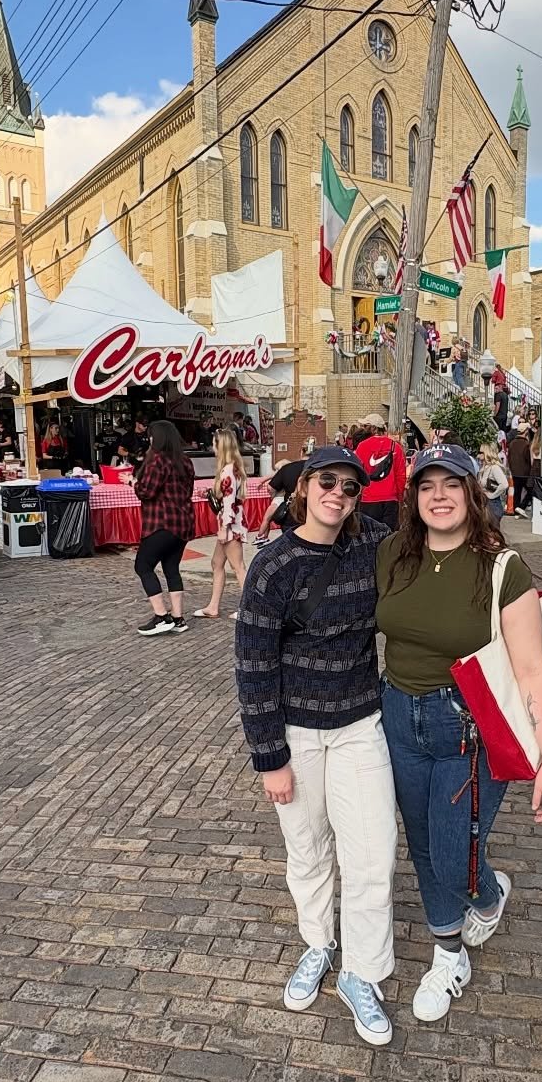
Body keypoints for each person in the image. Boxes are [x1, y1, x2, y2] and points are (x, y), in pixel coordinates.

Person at [377, 443, 542, 1023]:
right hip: (397, 713)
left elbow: (533, 669)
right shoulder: (391, 555)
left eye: (451, 484)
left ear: (472, 493)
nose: (439, 496)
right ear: (413, 497)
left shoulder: (503, 567)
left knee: (456, 857)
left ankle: (487, 893)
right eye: (426, 485)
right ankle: (448, 952)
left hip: (467, 726)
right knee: (424, 845)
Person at [234, 446, 397, 1047]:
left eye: (350, 487)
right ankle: (319, 944)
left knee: (372, 853)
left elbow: (436, 549)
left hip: (359, 724)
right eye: (327, 482)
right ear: (304, 486)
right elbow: (253, 663)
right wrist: (268, 755)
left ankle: (361, 970)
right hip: (297, 731)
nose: (338, 494)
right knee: (307, 850)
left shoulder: (372, 545)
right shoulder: (274, 565)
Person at [135, 421, 195, 634]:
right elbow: (187, 491)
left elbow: (146, 492)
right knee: (171, 568)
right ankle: (178, 619)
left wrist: (134, 482)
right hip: (183, 524)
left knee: (143, 566)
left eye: (150, 436)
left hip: (161, 523)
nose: (149, 440)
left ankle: (161, 616)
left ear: (157, 438)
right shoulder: (185, 461)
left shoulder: (158, 461)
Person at [196, 428, 248, 619]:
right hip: (230, 524)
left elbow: (229, 503)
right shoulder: (232, 469)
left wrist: (224, 528)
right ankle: (213, 606)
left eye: (214, 443)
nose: (212, 446)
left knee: (238, 567)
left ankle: (248, 608)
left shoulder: (227, 471)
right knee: (217, 563)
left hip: (229, 526)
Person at [352, 414, 406, 529]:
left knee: (368, 534)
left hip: (368, 498)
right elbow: (400, 476)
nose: (362, 428)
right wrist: (400, 499)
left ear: (373, 428)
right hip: (391, 499)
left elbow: (358, 473)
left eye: (365, 426)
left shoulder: (362, 446)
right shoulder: (395, 447)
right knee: (389, 536)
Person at [505, 423, 534, 516]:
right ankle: (521, 507)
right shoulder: (526, 444)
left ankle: (515, 509)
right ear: (525, 432)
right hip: (525, 472)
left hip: (514, 472)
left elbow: (509, 457)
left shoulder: (512, 443)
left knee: (517, 492)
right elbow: (528, 459)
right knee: (531, 491)